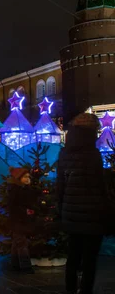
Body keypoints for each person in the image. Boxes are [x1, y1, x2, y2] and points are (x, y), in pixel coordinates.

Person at [57, 113, 107, 294]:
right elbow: (100, 186)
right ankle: (85, 291)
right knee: (90, 260)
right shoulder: (93, 154)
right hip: (93, 215)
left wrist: (61, 210)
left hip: (71, 214)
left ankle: (70, 290)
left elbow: (60, 186)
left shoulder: (64, 153)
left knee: (73, 257)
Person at [7, 167, 36, 274]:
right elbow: (15, 206)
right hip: (18, 220)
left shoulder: (23, 188)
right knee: (22, 243)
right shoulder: (16, 190)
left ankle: (15, 265)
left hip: (20, 220)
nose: (28, 179)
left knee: (17, 242)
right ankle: (26, 267)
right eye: (25, 177)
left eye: (28, 177)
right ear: (19, 178)